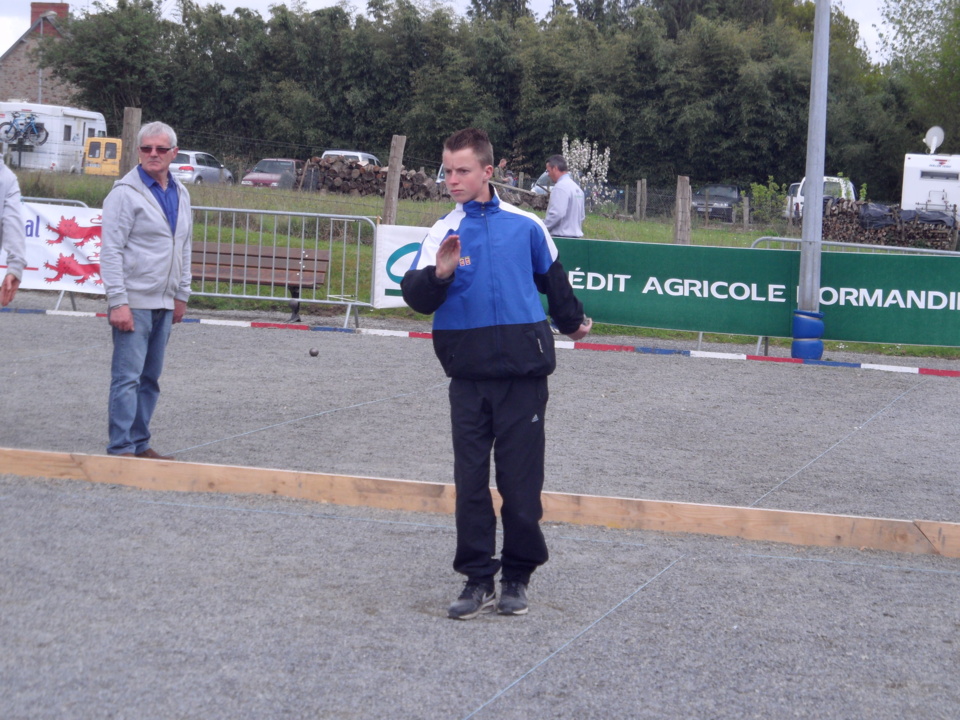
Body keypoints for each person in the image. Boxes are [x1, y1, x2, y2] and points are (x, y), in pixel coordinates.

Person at [401, 128, 592, 620]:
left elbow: (554, 281)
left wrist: (572, 323)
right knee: (470, 483)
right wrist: (439, 275)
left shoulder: (526, 224)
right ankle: (476, 578)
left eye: (463, 170)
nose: (452, 180)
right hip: (467, 377)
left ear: (488, 172)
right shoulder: (442, 230)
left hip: (523, 376)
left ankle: (517, 576)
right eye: (447, 170)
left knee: (520, 483)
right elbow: (418, 300)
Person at [100, 121, 192, 460]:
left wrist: (182, 293)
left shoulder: (181, 193)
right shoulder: (123, 194)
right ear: (138, 151)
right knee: (127, 378)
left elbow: (183, 245)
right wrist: (118, 302)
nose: (153, 154)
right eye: (146, 149)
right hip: (134, 301)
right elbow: (110, 251)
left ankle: (140, 444)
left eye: (160, 149)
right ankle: (121, 447)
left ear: (173, 153)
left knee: (150, 378)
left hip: (165, 301)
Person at [0, 158, 26, 307]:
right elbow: (13, 223)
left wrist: (15, 267)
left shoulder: (6, 178)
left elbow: (13, 223)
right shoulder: (6, 178)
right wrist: (15, 267)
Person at [543, 154, 585, 238]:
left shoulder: (560, 188)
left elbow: (557, 214)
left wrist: (542, 227)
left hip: (561, 238)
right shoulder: (577, 189)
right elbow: (582, 216)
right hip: (576, 239)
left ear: (555, 168)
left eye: (548, 171)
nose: (547, 174)